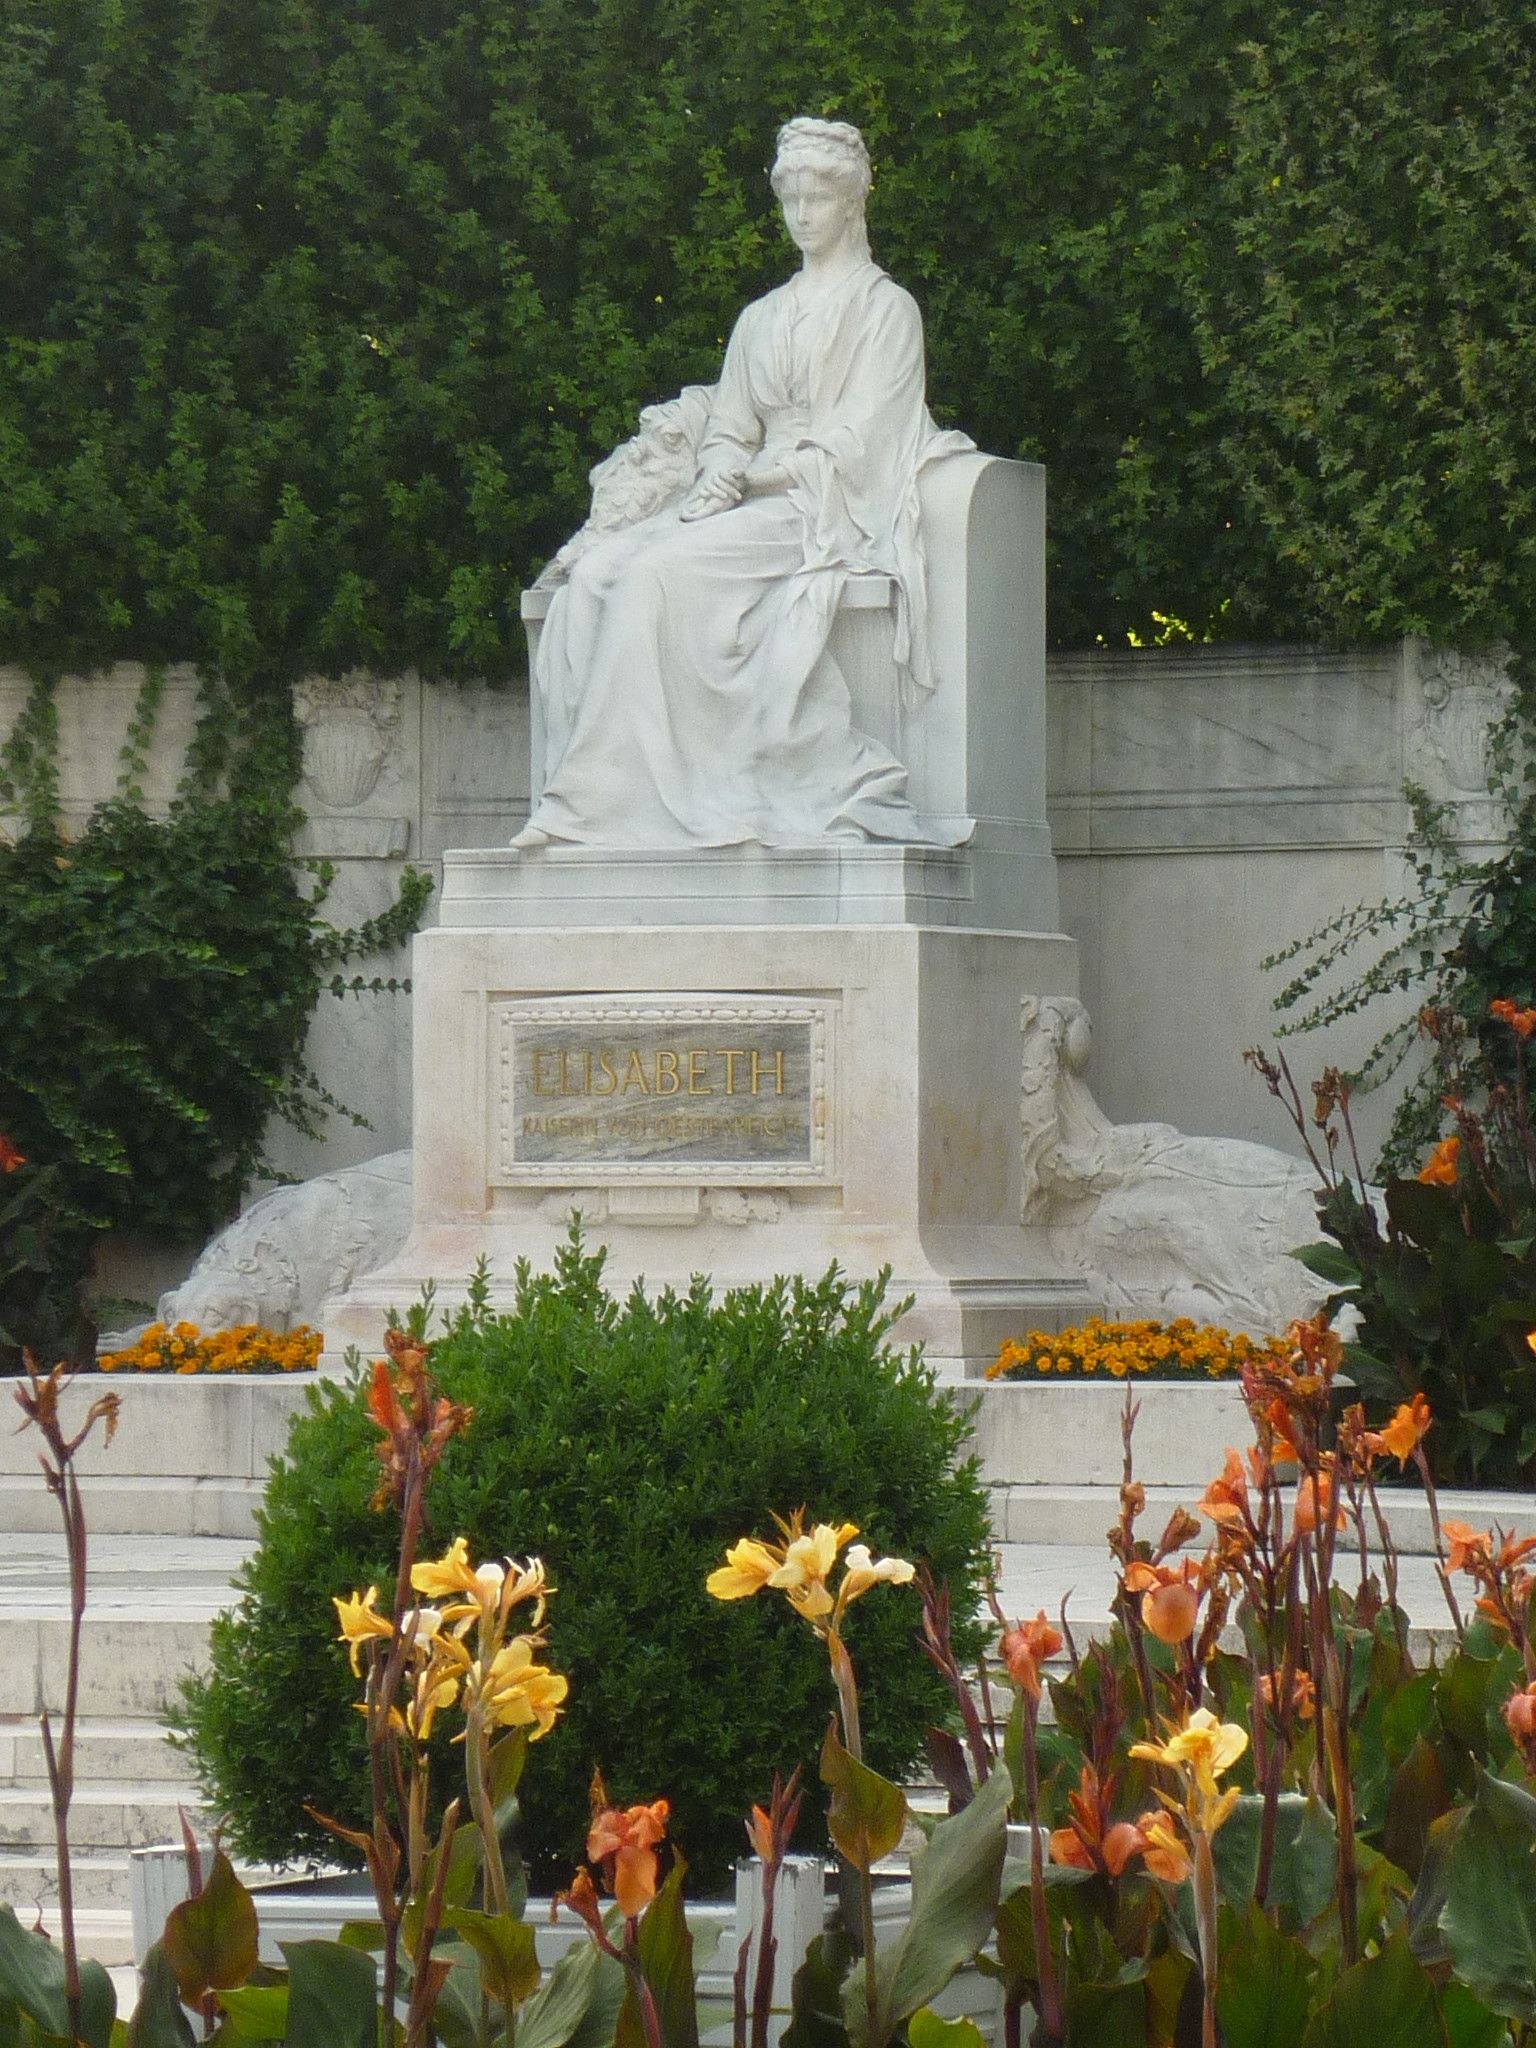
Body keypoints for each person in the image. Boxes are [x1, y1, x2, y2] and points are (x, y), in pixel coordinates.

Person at [515, 117, 971, 851]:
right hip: (746, 499)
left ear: (853, 203)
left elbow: (863, 436)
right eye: (790, 199)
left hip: (822, 504)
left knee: (656, 574)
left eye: (817, 198)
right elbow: (730, 424)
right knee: (595, 574)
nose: (801, 215)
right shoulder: (761, 317)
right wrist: (723, 466)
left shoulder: (887, 311)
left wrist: (757, 478)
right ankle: (614, 804)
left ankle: (597, 802)